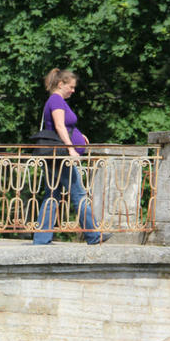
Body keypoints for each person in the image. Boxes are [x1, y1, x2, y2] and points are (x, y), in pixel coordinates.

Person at [33, 68, 108, 245]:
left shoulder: (56, 100)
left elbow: (64, 126)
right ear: (61, 84)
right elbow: (59, 126)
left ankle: (42, 238)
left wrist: (80, 136)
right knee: (79, 194)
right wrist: (71, 149)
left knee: (52, 194)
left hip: (56, 155)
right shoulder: (57, 100)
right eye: (71, 87)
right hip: (62, 156)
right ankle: (93, 234)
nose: (73, 90)